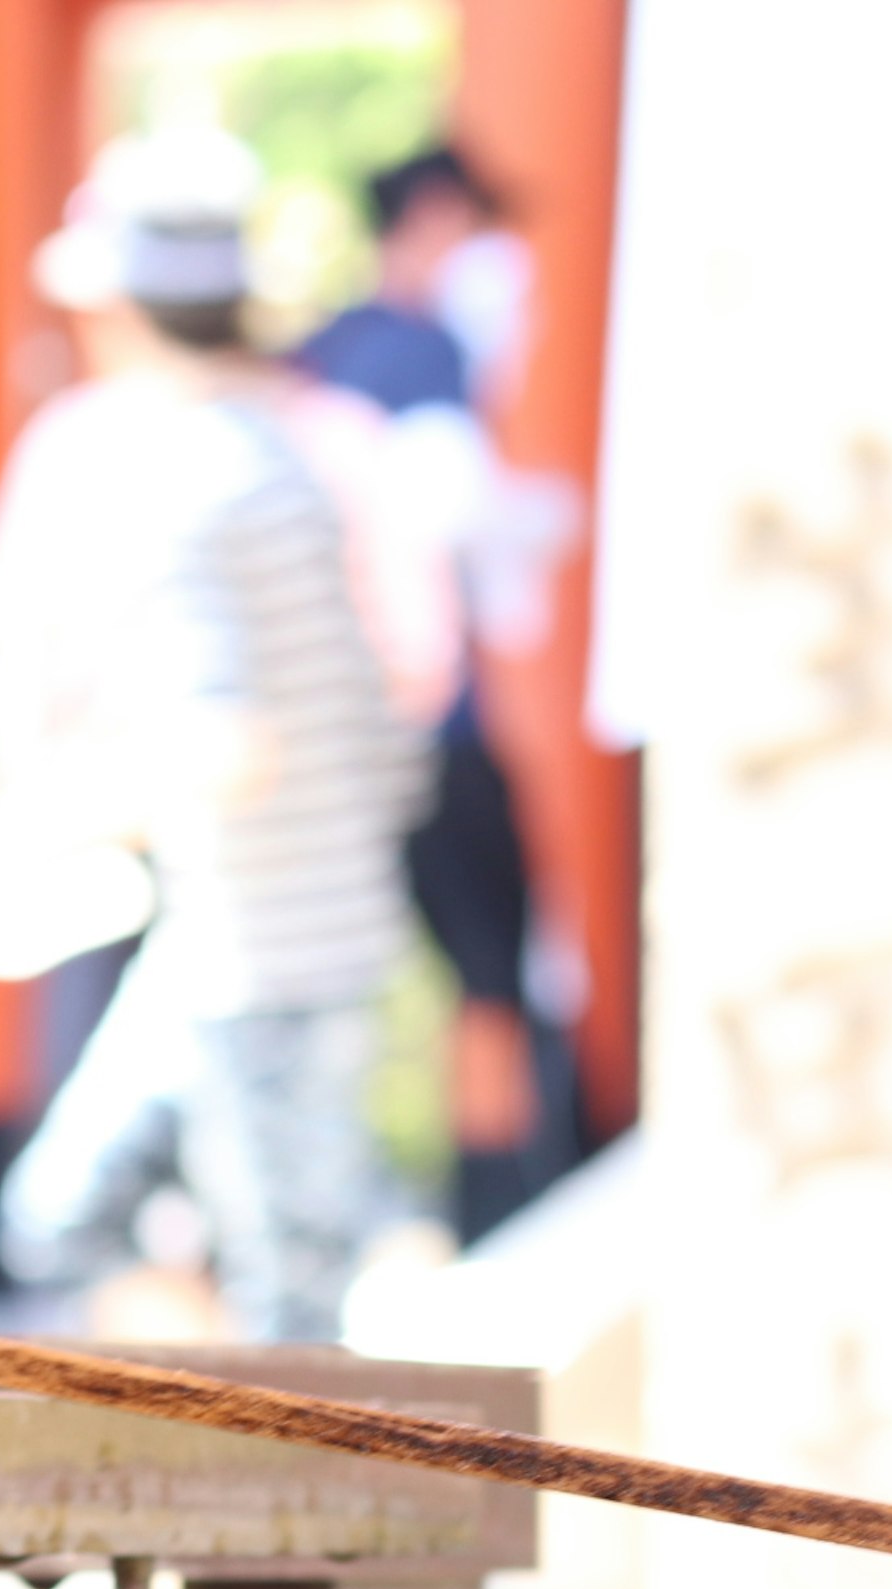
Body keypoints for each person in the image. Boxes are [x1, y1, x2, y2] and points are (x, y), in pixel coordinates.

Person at [0, 138, 427, 1343]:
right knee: (73, 1222)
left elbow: (226, 743)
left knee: (288, 1310)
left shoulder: (184, 485)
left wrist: (28, 831)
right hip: (245, 940)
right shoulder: (275, 459)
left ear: (109, 307)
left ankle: (261, 1498)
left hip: (271, 962)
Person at [297, 144, 569, 1239]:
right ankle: (514, 1200)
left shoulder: (317, 358)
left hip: (324, 735)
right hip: (427, 727)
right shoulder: (421, 351)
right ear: (440, 218)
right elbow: (449, 517)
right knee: (504, 971)